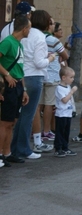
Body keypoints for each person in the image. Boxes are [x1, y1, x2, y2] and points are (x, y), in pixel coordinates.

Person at [11, 10, 56, 160]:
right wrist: (50, 59)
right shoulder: (40, 37)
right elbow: (39, 62)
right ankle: (23, 148)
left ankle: (14, 147)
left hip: (20, 74)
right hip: (34, 76)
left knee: (21, 114)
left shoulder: (21, 35)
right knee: (28, 114)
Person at [0, 15, 31, 167]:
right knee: (5, 122)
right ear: (24, 29)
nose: (30, 31)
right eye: (29, 28)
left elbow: (20, 69)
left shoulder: (20, 45)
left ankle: (7, 153)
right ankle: (0, 154)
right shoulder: (8, 42)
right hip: (9, 86)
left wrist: (24, 89)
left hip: (18, 86)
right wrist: (6, 75)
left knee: (12, 121)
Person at [37, 17, 68, 149]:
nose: (53, 25)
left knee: (38, 105)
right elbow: (65, 55)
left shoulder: (35, 38)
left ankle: (36, 131)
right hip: (52, 74)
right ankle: (46, 131)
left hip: (38, 73)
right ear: (48, 25)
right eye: (53, 24)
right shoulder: (53, 40)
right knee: (49, 104)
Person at [53, 67, 78, 157]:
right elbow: (64, 100)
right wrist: (71, 92)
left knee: (66, 131)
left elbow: (70, 100)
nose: (73, 79)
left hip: (67, 113)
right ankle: (58, 148)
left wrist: (73, 109)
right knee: (60, 131)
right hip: (61, 114)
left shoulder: (67, 86)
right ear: (64, 78)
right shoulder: (59, 88)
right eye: (71, 77)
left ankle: (65, 147)